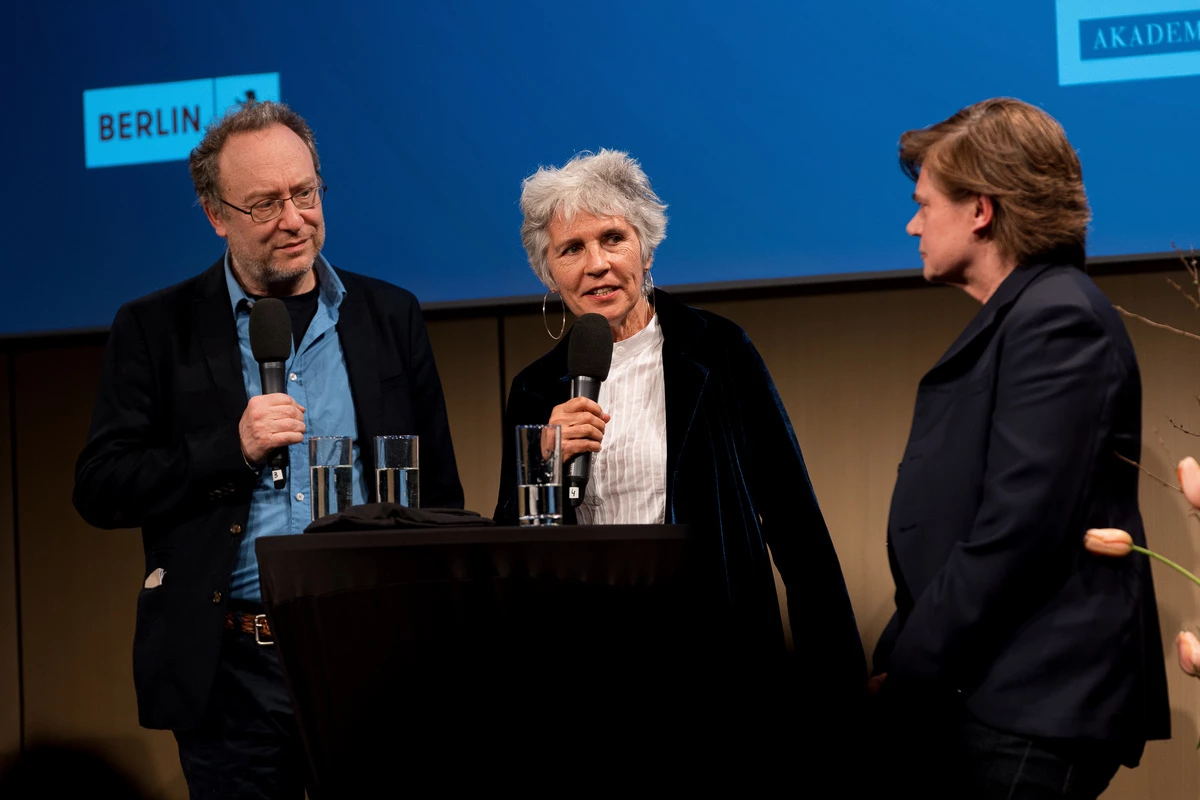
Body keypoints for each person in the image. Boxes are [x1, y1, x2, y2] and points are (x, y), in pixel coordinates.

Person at [72, 101, 463, 798]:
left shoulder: (388, 314)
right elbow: (102, 485)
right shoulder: (157, 329)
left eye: (304, 194)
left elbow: (439, 493)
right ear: (215, 214)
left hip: (370, 656)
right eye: (264, 204)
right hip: (231, 672)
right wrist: (234, 447)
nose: (293, 219)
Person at [493, 149, 865, 760]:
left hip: (713, 657)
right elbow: (511, 546)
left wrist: (838, 689)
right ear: (547, 271)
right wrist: (543, 464)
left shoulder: (718, 352)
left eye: (613, 238)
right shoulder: (534, 389)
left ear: (647, 246)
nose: (597, 264)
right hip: (585, 666)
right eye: (571, 249)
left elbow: (796, 523)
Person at [872, 97, 1170, 798]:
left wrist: (909, 669)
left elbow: (1016, 532)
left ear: (980, 210)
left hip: (1032, 700)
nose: (913, 223)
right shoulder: (1026, 315)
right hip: (990, 689)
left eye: (925, 203)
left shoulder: (1058, 318)